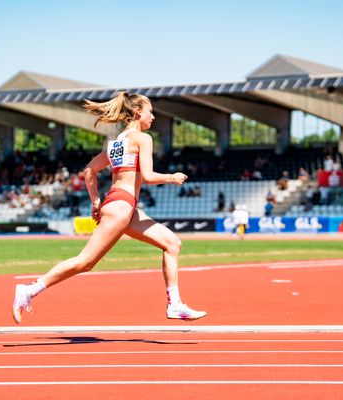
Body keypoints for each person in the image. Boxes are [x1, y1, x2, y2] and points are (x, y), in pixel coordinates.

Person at [12, 92, 206, 323]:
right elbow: (148, 176)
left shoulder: (116, 143)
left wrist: (95, 200)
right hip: (121, 206)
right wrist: (172, 177)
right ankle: (29, 290)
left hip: (122, 206)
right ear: (137, 113)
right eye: (150, 111)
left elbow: (89, 171)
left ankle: (174, 304)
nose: (153, 116)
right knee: (85, 262)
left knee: (172, 243)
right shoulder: (143, 139)